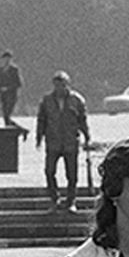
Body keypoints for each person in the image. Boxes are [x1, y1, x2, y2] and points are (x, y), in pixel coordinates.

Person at [36, 70, 91, 214]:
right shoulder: (47, 100)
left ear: (68, 85)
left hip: (70, 142)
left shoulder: (77, 100)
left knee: (72, 175)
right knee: (49, 172)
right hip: (53, 141)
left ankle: (71, 201)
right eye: (56, 85)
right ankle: (54, 200)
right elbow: (41, 119)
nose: (59, 88)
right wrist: (38, 137)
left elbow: (82, 120)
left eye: (62, 85)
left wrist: (87, 136)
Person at [0, 49, 28, 139]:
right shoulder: (1, 70)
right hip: (3, 96)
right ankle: (18, 131)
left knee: (7, 116)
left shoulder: (14, 69)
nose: (6, 60)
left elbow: (19, 83)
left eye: (8, 58)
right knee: (5, 117)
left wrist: (8, 88)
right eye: (5, 58)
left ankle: (17, 131)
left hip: (11, 96)